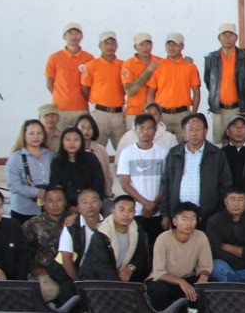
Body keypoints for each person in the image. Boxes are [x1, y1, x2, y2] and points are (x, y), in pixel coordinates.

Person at [158, 113, 233, 226]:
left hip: (208, 216)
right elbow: (166, 184)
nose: (194, 133)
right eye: (190, 129)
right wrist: (165, 214)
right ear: (184, 132)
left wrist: (219, 213)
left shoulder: (217, 154)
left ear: (205, 131)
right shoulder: (174, 153)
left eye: (198, 129)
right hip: (178, 214)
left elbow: (225, 185)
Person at [146, 202, 212, 310]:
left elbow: (205, 265)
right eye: (184, 219)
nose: (189, 223)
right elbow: (158, 272)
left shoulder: (200, 236)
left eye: (193, 219)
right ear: (175, 221)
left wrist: (203, 277)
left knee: (212, 283)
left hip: (187, 277)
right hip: (164, 280)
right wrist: (181, 282)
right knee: (159, 289)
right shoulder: (163, 238)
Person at [203, 23, 245, 140]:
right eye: (224, 35)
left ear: (236, 38)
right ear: (219, 38)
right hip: (219, 111)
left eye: (231, 35)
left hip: (241, 109)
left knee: (244, 142)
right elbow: (208, 81)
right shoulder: (211, 58)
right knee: (220, 143)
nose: (227, 38)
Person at [117, 114, 167, 243]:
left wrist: (154, 204)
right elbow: (125, 183)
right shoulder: (127, 153)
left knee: (156, 247)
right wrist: (145, 203)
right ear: (136, 130)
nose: (145, 131)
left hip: (157, 211)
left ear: (155, 130)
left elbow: (166, 182)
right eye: (142, 128)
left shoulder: (163, 153)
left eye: (149, 128)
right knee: (136, 247)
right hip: (136, 211)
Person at [78, 194, 151, 282]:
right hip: (94, 280)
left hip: (120, 277)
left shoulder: (136, 228)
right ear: (112, 211)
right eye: (121, 210)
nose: (126, 214)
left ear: (135, 212)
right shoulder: (101, 232)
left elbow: (141, 254)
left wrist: (130, 267)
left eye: (130, 210)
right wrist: (119, 286)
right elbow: (102, 266)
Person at [206, 188, 245, 285]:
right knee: (216, 266)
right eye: (232, 199)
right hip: (225, 266)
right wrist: (243, 255)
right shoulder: (214, 221)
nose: (236, 204)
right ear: (225, 201)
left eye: (240, 199)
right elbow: (215, 251)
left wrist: (227, 247)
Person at [147, 33, 203, 136]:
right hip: (162, 115)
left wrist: (193, 114)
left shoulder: (190, 66)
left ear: (182, 46)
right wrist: (151, 114)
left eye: (175, 45)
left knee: (184, 144)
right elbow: (151, 92)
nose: (171, 48)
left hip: (182, 115)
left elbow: (196, 93)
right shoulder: (158, 66)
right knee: (161, 144)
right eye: (169, 44)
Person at [82, 31, 129, 150]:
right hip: (100, 114)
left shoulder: (123, 65)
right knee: (96, 148)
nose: (109, 46)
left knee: (123, 148)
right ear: (100, 45)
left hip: (119, 114)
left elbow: (126, 88)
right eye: (106, 43)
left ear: (116, 45)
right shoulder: (91, 65)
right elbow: (85, 89)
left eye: (112, 43)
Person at [46, 22, 94, 129]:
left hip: (81, 108)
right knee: (59, 137)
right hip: (60, 109)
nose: (74, 36)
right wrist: (61, 97)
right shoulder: (54, 58)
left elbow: (92, 84)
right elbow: (49, 84)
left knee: (82, 137)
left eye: (77, 33)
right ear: (64, 36)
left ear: (81, 36)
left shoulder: (89, 58)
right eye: (70, 33)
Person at [23, 187, 68, 303]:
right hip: (44, 270)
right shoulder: (33, 223)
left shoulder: (74, 220)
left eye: (59, 200)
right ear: (44, 202)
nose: (55, 205)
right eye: (50, 201)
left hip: (69, 270)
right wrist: (32, 268)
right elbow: (22, 250)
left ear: (65, 202)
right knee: (51, 291)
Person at [56, 189, 104, 292]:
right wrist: (79, 282)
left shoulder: (109, 225)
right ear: (78, 207)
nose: (89, 206)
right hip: (77, 273)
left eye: (94, 201)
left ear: (100, 203)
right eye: (84, 202)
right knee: (67, 291)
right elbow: (66, 260)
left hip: (103, 275)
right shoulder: (71, 227)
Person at [7, 119, 55, 221]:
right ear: (24, 135)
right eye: (31, 133)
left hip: (47, 208)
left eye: (39, 133)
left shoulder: (50, 155)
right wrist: (37, 192)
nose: (36, 137)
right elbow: (14, 185)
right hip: (23, 210)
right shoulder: (15, 158)